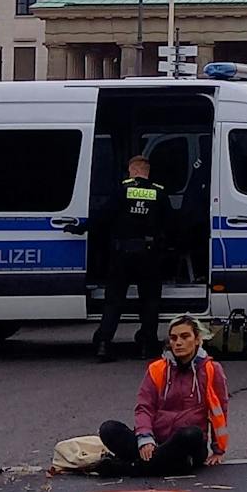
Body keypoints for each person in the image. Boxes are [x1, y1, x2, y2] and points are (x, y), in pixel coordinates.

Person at [96, 315, 228, 476]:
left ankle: (129, 468)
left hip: (186, 444)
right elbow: (144, 407)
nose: (178, 342)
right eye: (173, 338)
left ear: (197, 340)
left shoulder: (212, 369)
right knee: (109, 429)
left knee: (191, 434)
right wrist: (145, 438)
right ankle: (159, 463)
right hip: (156, 442)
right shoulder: (157, 369)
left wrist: (218, 450)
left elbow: (220, 410)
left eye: (185, 336)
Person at [84, 155, 171, 362]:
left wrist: (79, 228)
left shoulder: (121, 191)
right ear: (147, 171)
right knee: (150, 301)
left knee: (113, 300)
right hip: (148, 254)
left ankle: (104, 344)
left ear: (132, 171)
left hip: (122, 254)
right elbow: (170, 224)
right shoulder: (159, 192)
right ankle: (146, 346)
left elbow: (102, 217)